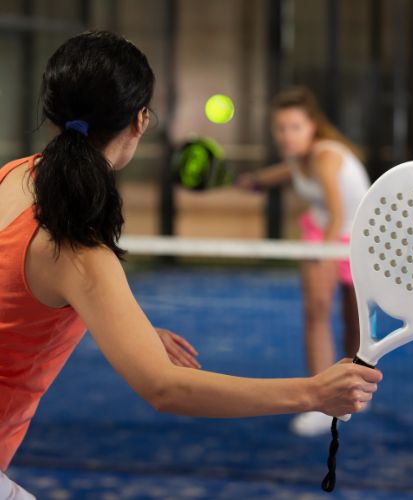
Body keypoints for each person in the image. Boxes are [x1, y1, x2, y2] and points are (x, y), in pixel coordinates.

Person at [0, 32, 381, 498]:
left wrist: (129, 329)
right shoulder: (77, 247)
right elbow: (166, 389)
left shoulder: (12, 174)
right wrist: (313, 393)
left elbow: (17, 295)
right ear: (140, 121)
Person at [237, 87, 371, 436]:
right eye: (280, 128)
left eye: (295, 127)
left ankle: (353, 390)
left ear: (312, 126)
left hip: (356, 240)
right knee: (316, 312)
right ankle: (322, 403)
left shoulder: (326, 156)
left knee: (354, 323)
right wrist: (250, 182)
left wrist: (327, 255)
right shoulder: (298, 158)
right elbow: (275, 176)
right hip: (321, 232)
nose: (287, 135)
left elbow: (340, 211)